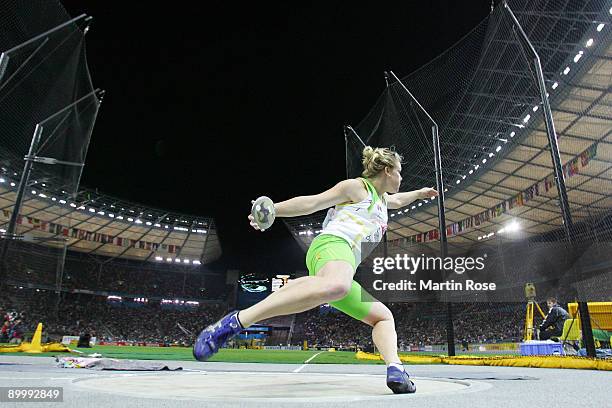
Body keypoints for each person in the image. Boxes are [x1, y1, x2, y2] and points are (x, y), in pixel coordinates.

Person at [193, 146, 438, 394]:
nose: (401, 178)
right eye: (399, 172)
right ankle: (235, 322)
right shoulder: (356, 187)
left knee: (383, 317)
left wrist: (419, 193)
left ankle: (396, 369)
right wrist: (274, 210)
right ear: (387, 170)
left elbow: (399, 199)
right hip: (331, 246)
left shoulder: (383, 201)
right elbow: (313, 202)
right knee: (337, 284)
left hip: (344, 266)